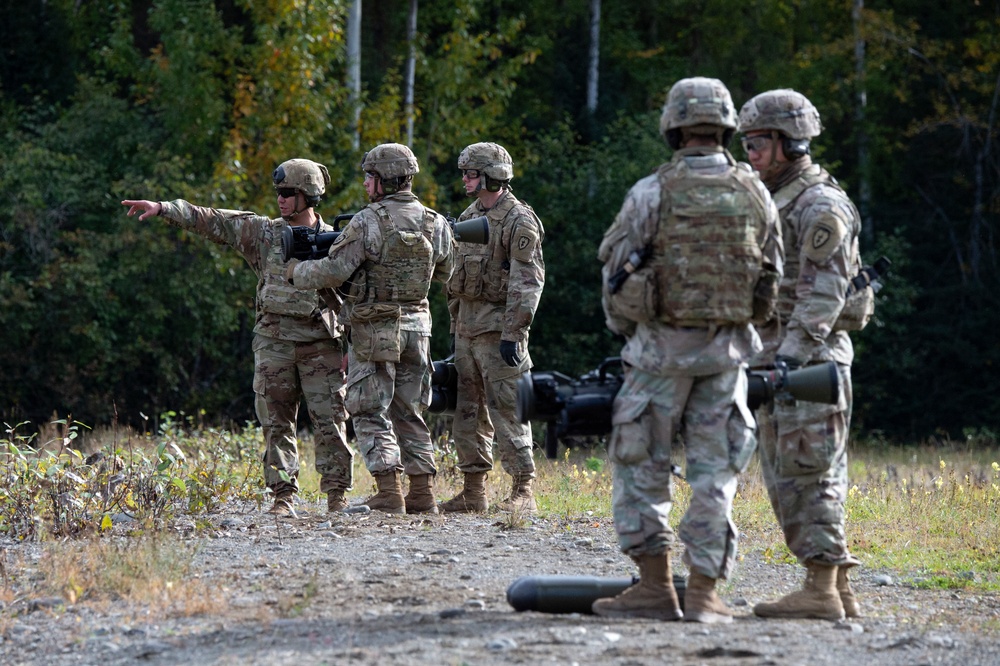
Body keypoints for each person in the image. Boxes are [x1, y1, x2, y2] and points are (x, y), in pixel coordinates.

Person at [594, 77, 783, 623]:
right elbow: (772, 279)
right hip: (727, 355)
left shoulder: (650, 193)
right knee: (715, 475)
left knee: (641, 464)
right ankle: (703, 593)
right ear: (725, 126)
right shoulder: (755, 193)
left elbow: (614, 279)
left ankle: (655, 586)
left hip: (657, 356)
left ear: (673, 127)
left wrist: (630, 331)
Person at [122, 159, 354, 517]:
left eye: (289, 194)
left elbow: (357, 296)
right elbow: (212, 219)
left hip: (321, 342)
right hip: (273, 340)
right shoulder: (263, 233)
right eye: (278, 193)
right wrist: (164, 209)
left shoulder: (339, 240)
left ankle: (337, 497)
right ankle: (283, 497)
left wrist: (352, 346)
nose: (281, 200)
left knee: (331, 421)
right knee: (275, 422)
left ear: (309, 196)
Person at [738, 89, 864, 621]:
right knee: (795, 472)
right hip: (783, 357)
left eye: (758, 143)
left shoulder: (818, 203)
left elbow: (824, 293)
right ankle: (837, 591)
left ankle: (820, 589)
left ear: (789, 142)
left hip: (806, 361)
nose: (750, 153)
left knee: (808, 474)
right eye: (745, 143)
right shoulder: (780, 197)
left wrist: (787, 361)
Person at [286, 143, 454, 515]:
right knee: (409, 409)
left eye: (369, 176)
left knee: (367, 408)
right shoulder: (435, 221)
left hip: (374, 329)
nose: (364, 184)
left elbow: (333, 271)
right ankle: (423, 493)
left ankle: (388, 490)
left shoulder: (368, 221)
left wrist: (296, 272)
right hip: (418, 328)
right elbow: (445, 272)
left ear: (384, 180)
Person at [439, 142, 545, 514]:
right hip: (468, 331)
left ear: (491, 176)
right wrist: (455, 329)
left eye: (472, 173)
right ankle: (473, 490)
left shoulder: (519, 220)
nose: (465, 180)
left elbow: (527, 282)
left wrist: (514, 333)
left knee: (507, 409)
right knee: (467, 412)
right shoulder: (469, 217)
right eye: (465, 173)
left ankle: (523, 490)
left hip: (499, 332)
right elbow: (454, 279)